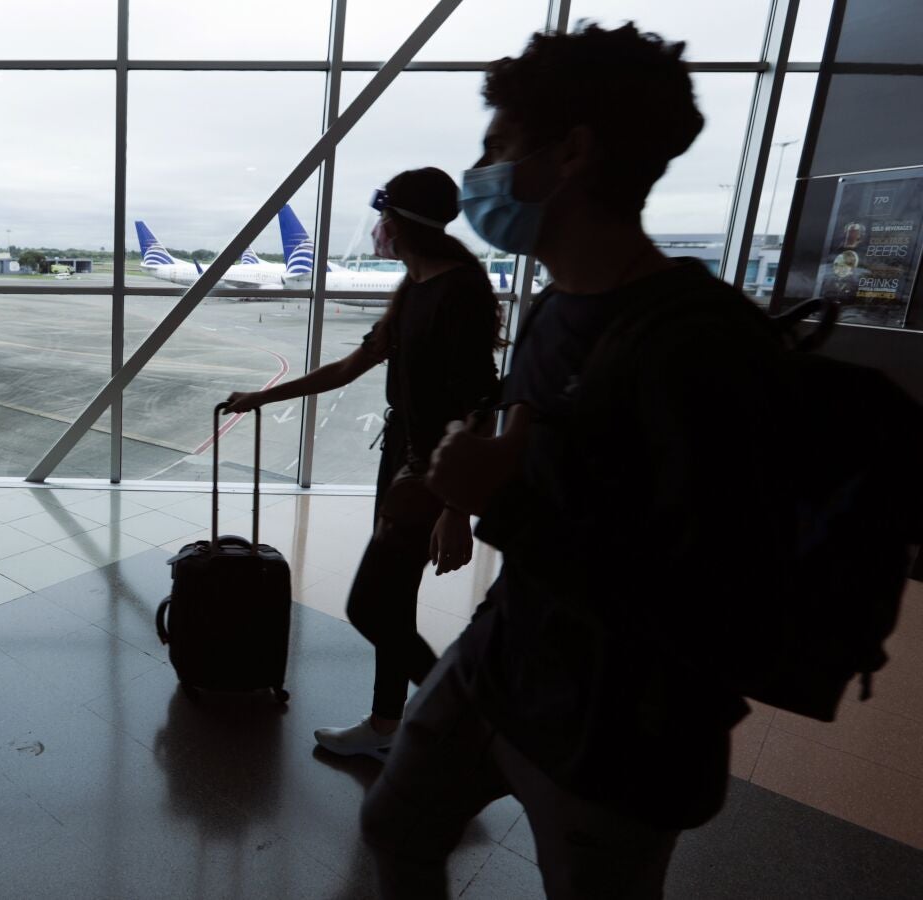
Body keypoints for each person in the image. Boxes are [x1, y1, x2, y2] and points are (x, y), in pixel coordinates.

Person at [358, 23, 782, 898]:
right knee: (395, 826)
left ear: (573, 153)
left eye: (498, 146)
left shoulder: (702, 346)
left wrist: (492, 501)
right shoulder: (556, 310)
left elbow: (712, 592)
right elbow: (533, 464)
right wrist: (454, 493)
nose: (480, 172)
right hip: (508, 659)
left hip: (620, 726)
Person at [225, 167, 503, 758]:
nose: (376, 229)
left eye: (382, 217)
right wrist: (261, 397)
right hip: (403, 459)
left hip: (434, 470)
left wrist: (455, 508)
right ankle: (387, 725)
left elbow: (482, 404)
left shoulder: (456, 294)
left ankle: (463, 721)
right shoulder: (415, 288)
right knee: (392, 603)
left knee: (371, 606)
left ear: (397, 224)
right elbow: (348, 368)